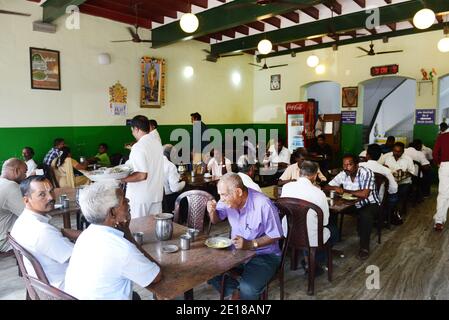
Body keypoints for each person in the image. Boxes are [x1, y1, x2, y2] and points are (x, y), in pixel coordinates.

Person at [64, 181, 161, 299]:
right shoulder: (122, 249)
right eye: (123, 201)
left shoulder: (86, 235)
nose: (128, 201)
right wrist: (129, 238)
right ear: (112, 212)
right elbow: (155, 276)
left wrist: (127, 235)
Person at [207, 173, 282, 300]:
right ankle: (236, 290)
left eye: (224, 195)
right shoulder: (227, 201)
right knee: (207, 270)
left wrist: (251, 244)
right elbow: (216, 219)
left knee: (248, 289)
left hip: (264, 255)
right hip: (236, 251)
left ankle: (242, 290)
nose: (221, 199)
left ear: (238, 192)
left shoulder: (263, 204)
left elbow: (275, 235)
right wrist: (212, 212)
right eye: (220, 194)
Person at [11, 176, 80, 289]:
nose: (51, 197)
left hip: (43, 284)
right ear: (26, 200)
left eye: (51, 191)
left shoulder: (23, 221)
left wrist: (88, 234)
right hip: (64, 287)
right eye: (42, 194)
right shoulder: (42, 231)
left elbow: (60, 231)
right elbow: (80, 258)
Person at [281, 161, 337, 271]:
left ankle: (307, 259)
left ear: (300, 172)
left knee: (308, 226)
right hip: (309, 238)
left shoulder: (286, 187)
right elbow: (324, 222)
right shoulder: (318, 193)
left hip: (288, 232)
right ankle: (314, 262)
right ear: (315, 175)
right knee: (334, 232)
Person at [325, 154, 380, 260]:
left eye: (349, 165)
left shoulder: (366, 173)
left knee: (365, 215)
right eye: (344, 165)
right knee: (332, 210)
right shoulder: (343, 173)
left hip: (369, 203)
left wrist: (344, 190)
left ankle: (364, 247)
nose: (346, 168)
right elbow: (327, 186)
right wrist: (335, 187)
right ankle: (332, 240)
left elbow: (364, 194)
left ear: (357, 165)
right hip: (351, 203)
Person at [121, 115, 164, 218]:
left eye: (132, 130)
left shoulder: (138, 146)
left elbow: (141, 175)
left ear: (136, 129)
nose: (132, 133)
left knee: (138, 229)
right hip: (156, 195)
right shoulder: (157, 143)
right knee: (154, 229)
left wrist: (122, 179)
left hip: (140, 198)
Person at [359, 144, 400, 224]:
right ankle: (385, 215)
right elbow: (394, 189)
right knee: (394, 196)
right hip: (376, 201)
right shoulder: (385, 170)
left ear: (367, 155)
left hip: (358, 198)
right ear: (380, 156)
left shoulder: (359, 166)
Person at [379, 142, 415, 218]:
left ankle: (396, 212)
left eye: (399, 151)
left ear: (403, 151)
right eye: (395, 151)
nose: (396, 153)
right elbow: (378, 165)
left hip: (404, 182)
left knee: (401, 192)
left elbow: (412, 172)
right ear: (392, 150)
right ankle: (385, 211)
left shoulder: (408, 159)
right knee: (382, 191)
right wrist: (383, 166)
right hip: (388, 182)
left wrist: (403, 174)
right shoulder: (386, 156)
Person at [0, 159, 27, 252]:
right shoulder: (10, 186)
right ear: (16, 171)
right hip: (5, 241)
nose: (26, 176)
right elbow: (30, 215)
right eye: (25, 172)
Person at [432, 126, 449, 231]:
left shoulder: (442, 136)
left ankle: (439, 220)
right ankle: (440, 218)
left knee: (443, 193)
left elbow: (435, 153)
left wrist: (438, 162)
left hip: (446, 166)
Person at [162, 144, 186, 213]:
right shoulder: (170, 165)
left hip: (156, 198)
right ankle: (182, 222)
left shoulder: (154, 162)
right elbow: (175, 188)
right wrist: (184, 182)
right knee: (186, 199)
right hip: (168, 198)